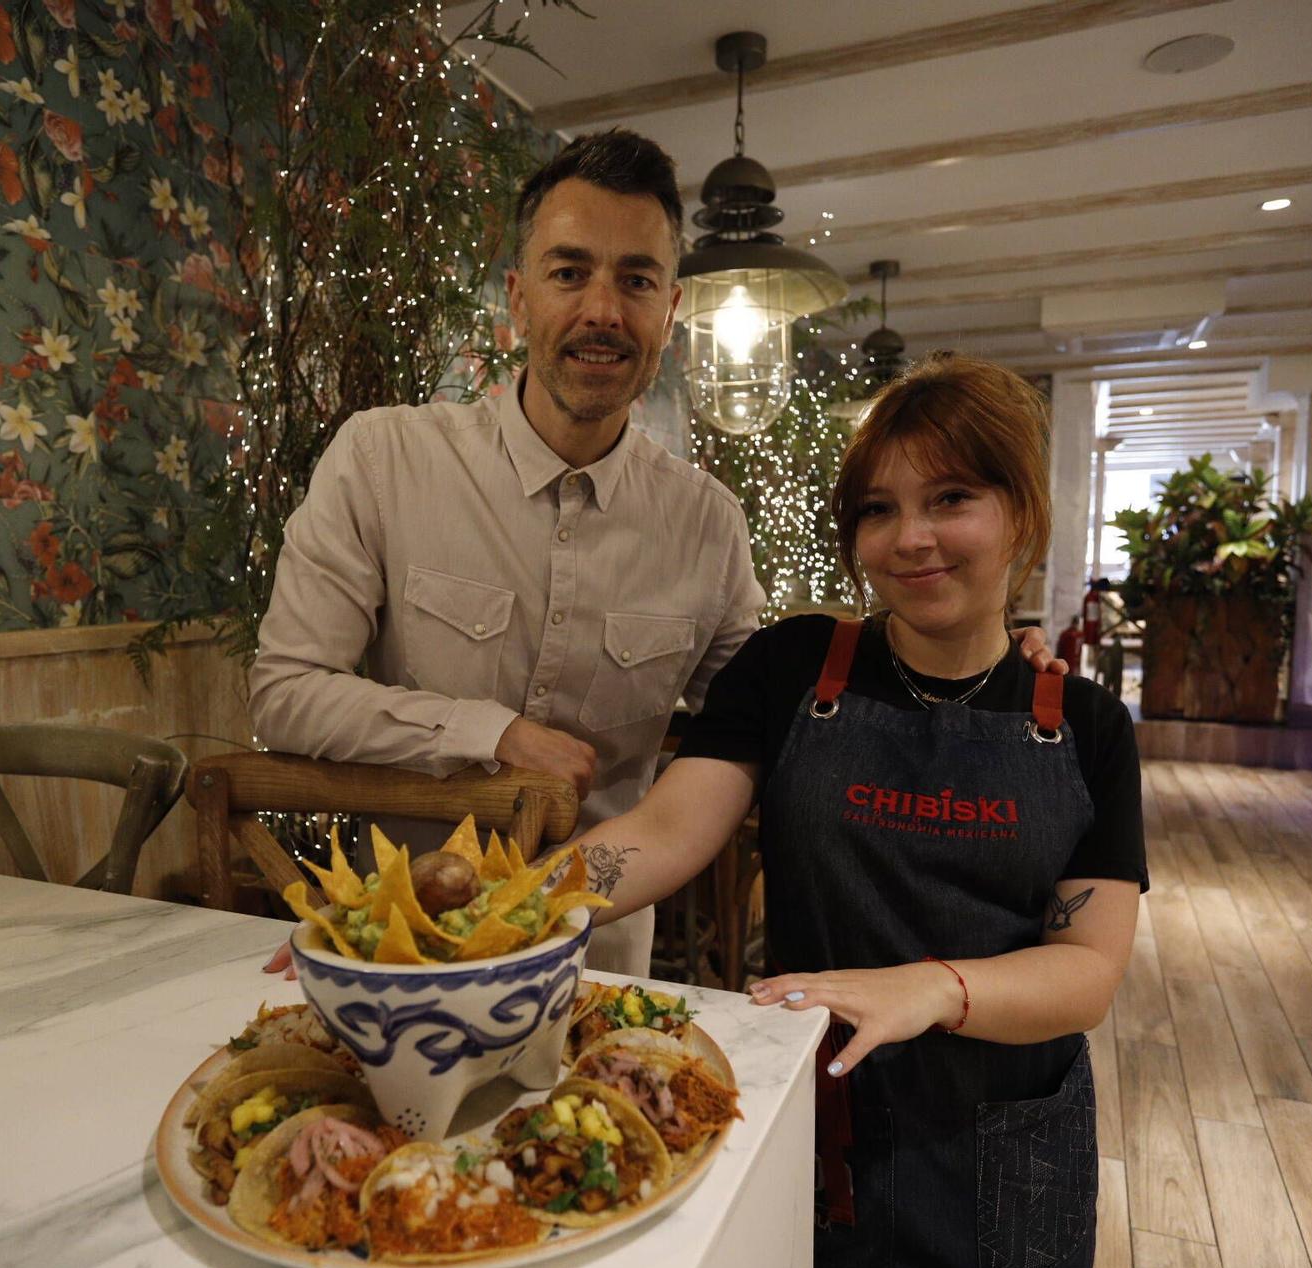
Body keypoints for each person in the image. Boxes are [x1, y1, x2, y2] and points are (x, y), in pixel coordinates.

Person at [250, 129, 1055, 977]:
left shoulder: (707, 523)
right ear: (519, 302)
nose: (603, 309)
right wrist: (491, 734)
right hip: (394, 939)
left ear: (669, 314)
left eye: (635, 280)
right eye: (570, 273)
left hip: (598, 949)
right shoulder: (383, 459)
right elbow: (286, 694)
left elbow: (777, 707)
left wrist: (985, 663)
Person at [573, 352, 1145, 1268]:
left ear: (1022, 513)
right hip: (816, 1140)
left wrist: (932, 986)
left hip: (1000, 1172)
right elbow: (664, 832)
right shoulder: (793, 665)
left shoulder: (1085, 724)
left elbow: (1086, 970)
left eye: (951, 497)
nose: (910, 538)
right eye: (877, 510)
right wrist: (475, 921)